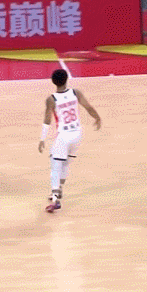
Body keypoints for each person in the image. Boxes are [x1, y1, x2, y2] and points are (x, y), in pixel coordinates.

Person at [39, 69, 102, 213]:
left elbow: (47, 119)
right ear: (67, 79)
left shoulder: (51, 99)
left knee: (55, 165)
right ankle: (59, 189)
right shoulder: (76, 93)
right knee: (65, 164)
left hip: (64, 136)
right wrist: (97, 118)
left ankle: (55, 199)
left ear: (53, 81)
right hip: (77, 134)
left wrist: (42, 138)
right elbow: (88, 107)